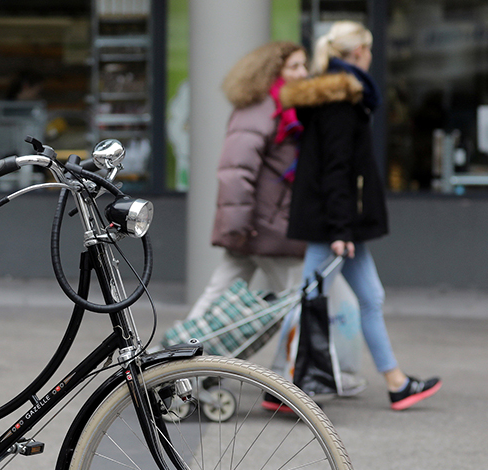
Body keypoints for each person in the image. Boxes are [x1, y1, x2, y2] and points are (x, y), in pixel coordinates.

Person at [276, 20, 441, 411]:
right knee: (309, 300)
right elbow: (336, 170)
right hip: (333, 224)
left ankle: (396, 382)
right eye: (368, 50)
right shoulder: (339, 101)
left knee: (370, 297)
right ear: (358, 54)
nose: (370, 57)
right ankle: (280, 385)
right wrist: (340, 228)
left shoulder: (339, 96)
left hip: (338, 222)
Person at [187, 41, 309, 322]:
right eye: (295, 66)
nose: (304, 73)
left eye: (305, 65)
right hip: (264, 225)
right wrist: (237, 225)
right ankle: (297, 366)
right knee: (298, 303)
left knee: (216, 296)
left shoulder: (283, 106)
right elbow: (235, 171)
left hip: (258, 225)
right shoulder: (263, 108)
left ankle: (175, 355)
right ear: (271, 71)